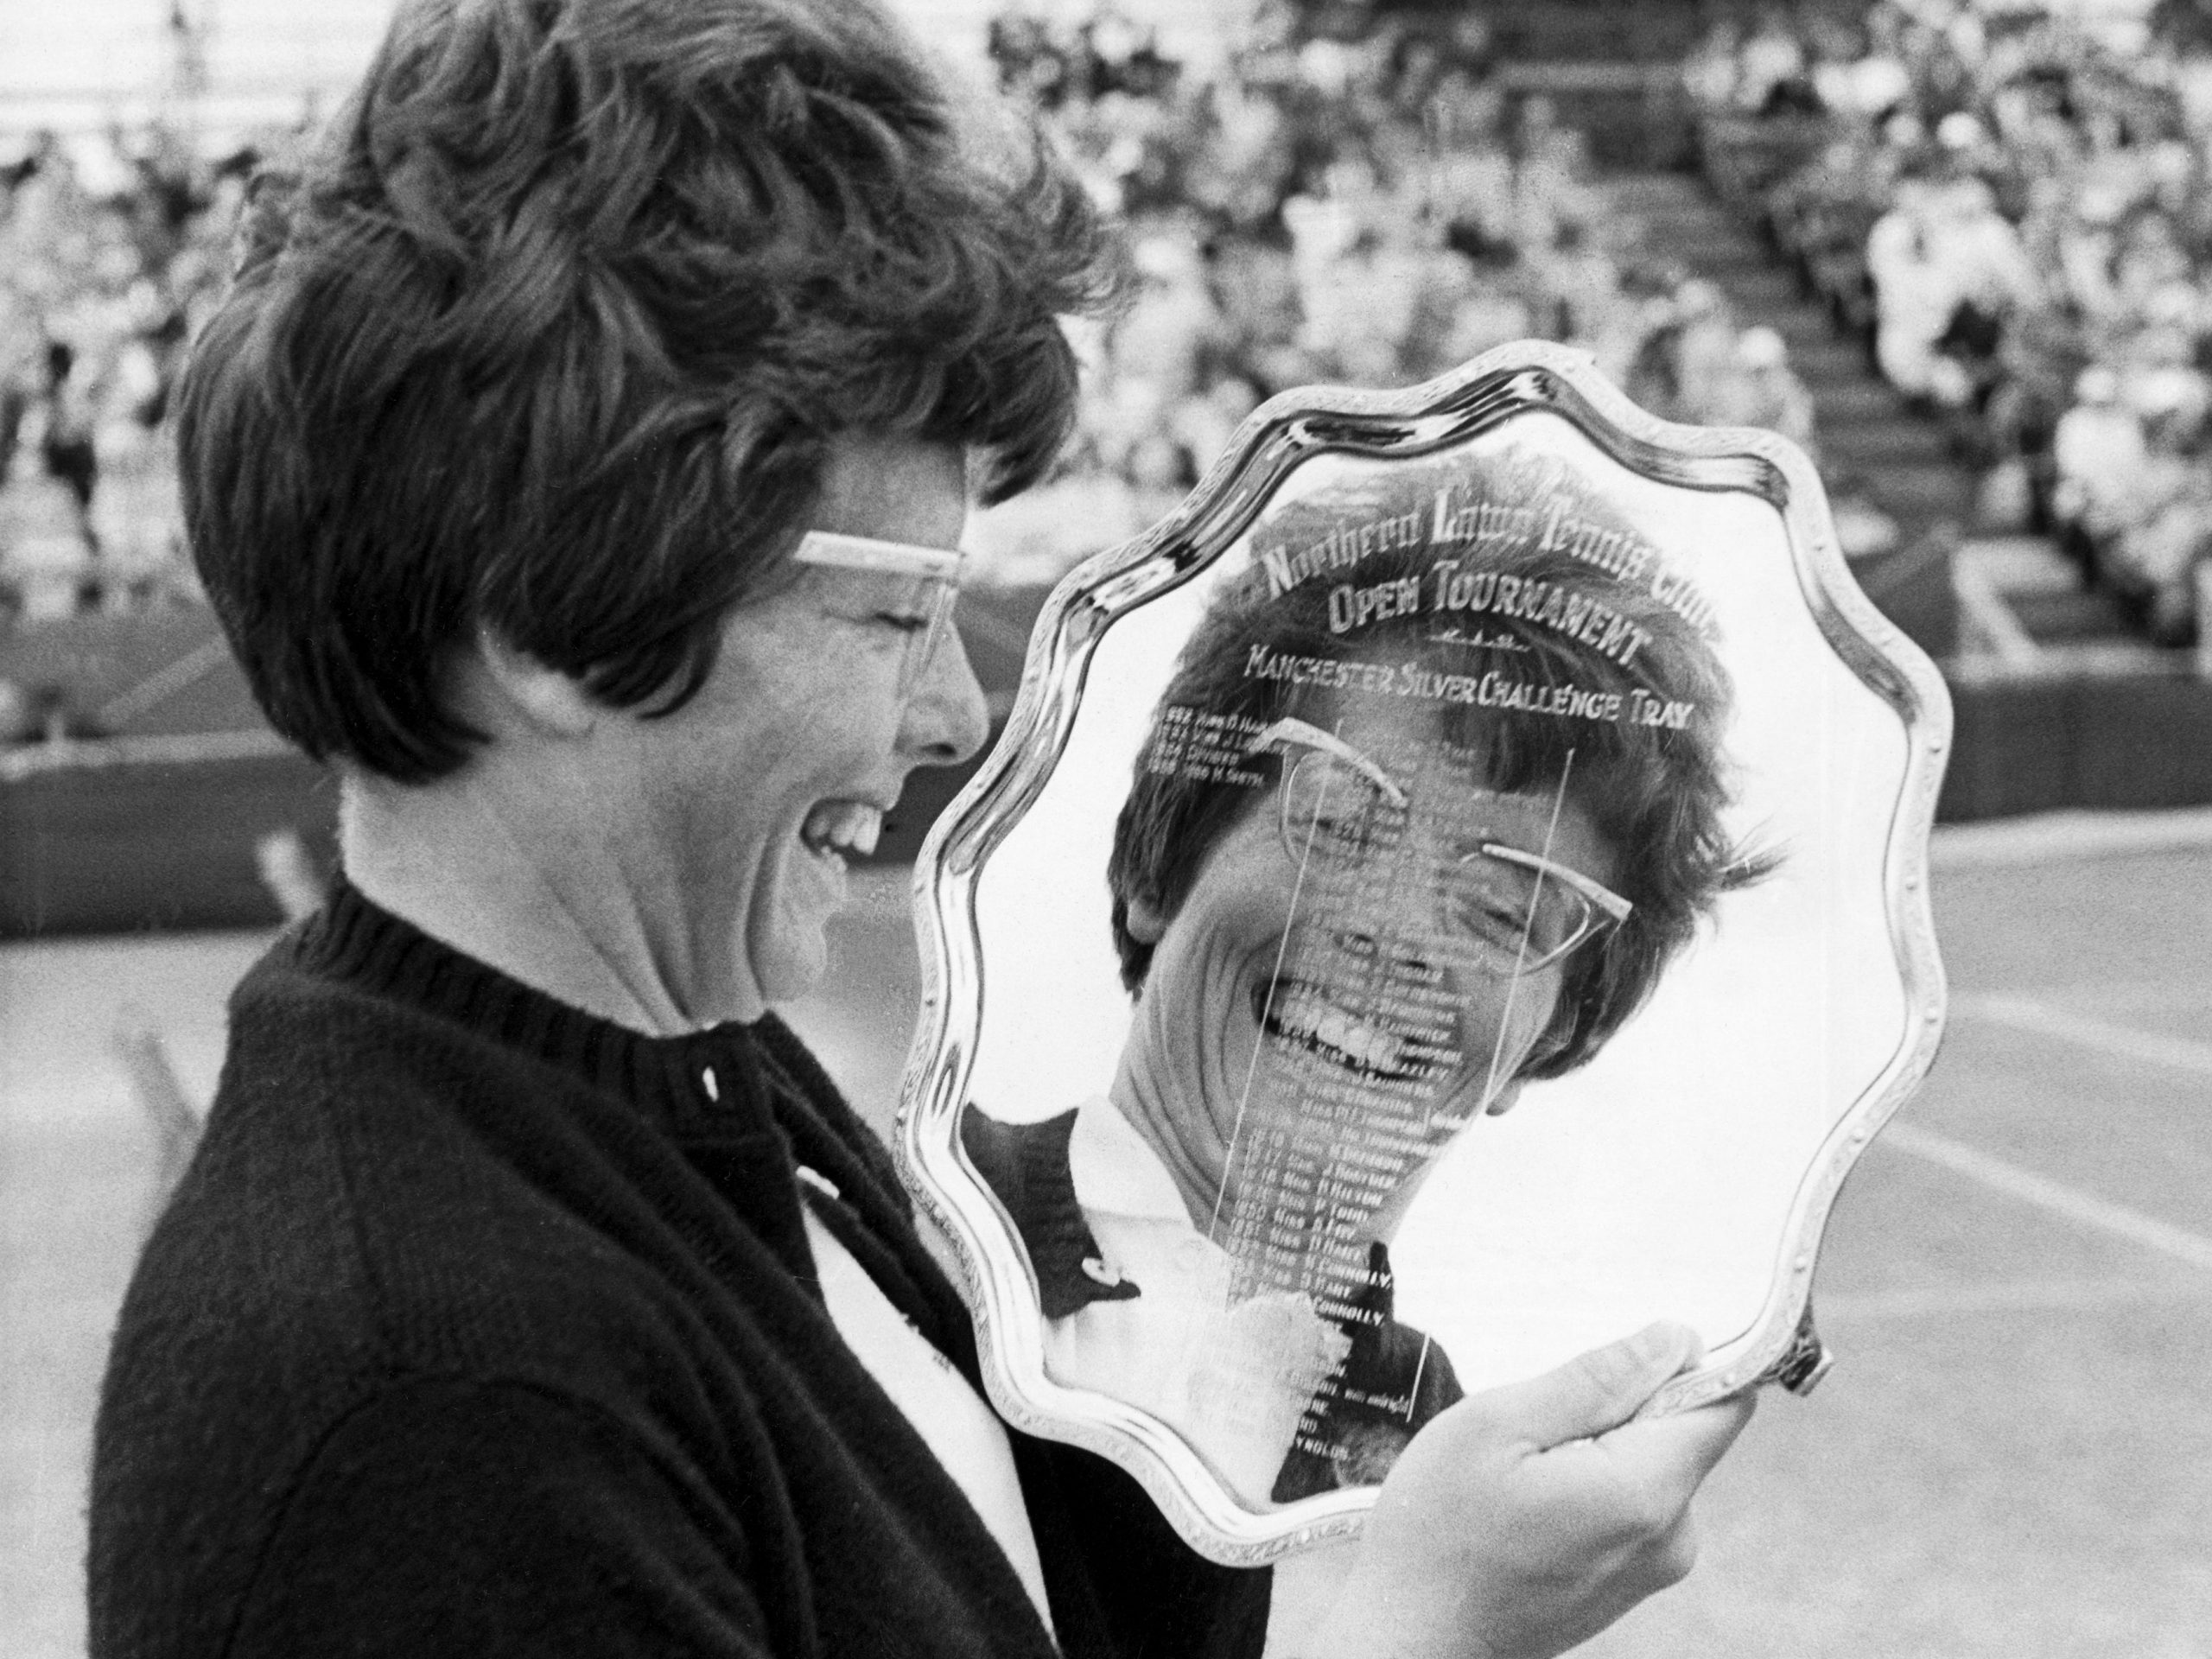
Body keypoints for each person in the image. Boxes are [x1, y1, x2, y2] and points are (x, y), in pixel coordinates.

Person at [89, 3, 1752, 1656]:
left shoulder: (694, 1075)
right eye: (896, 618)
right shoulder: (426, 1412)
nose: (957, 712)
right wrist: (1422, 1633)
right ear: (546, 618)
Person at [966, 457, 1768, 1510]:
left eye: (1506, 910)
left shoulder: (1440, 1457)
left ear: (1555, 1032)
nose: (1395, 937)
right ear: (1163, 863)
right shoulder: (913, 1241)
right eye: (1338, 818)